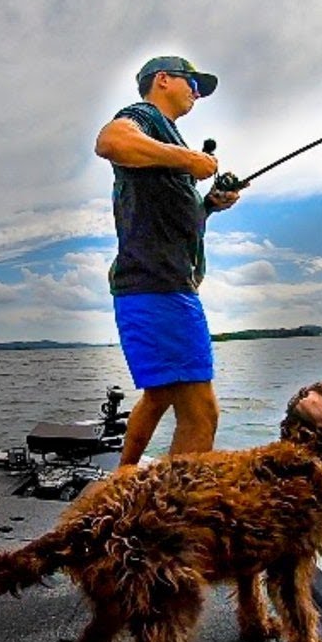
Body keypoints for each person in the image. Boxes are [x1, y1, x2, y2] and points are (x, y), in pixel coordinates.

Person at [94, 55, 244, 467]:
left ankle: (123, 480)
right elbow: (109, 142)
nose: (197, 93)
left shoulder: (164, 144)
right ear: (163, 80)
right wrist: (190, 161)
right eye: (192, 83)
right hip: (159, 287)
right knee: (202, 415)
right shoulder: (143, 117)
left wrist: (210, 204)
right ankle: (169, 519)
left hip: (153, 285)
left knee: (159, 394)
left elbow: (172, 217)